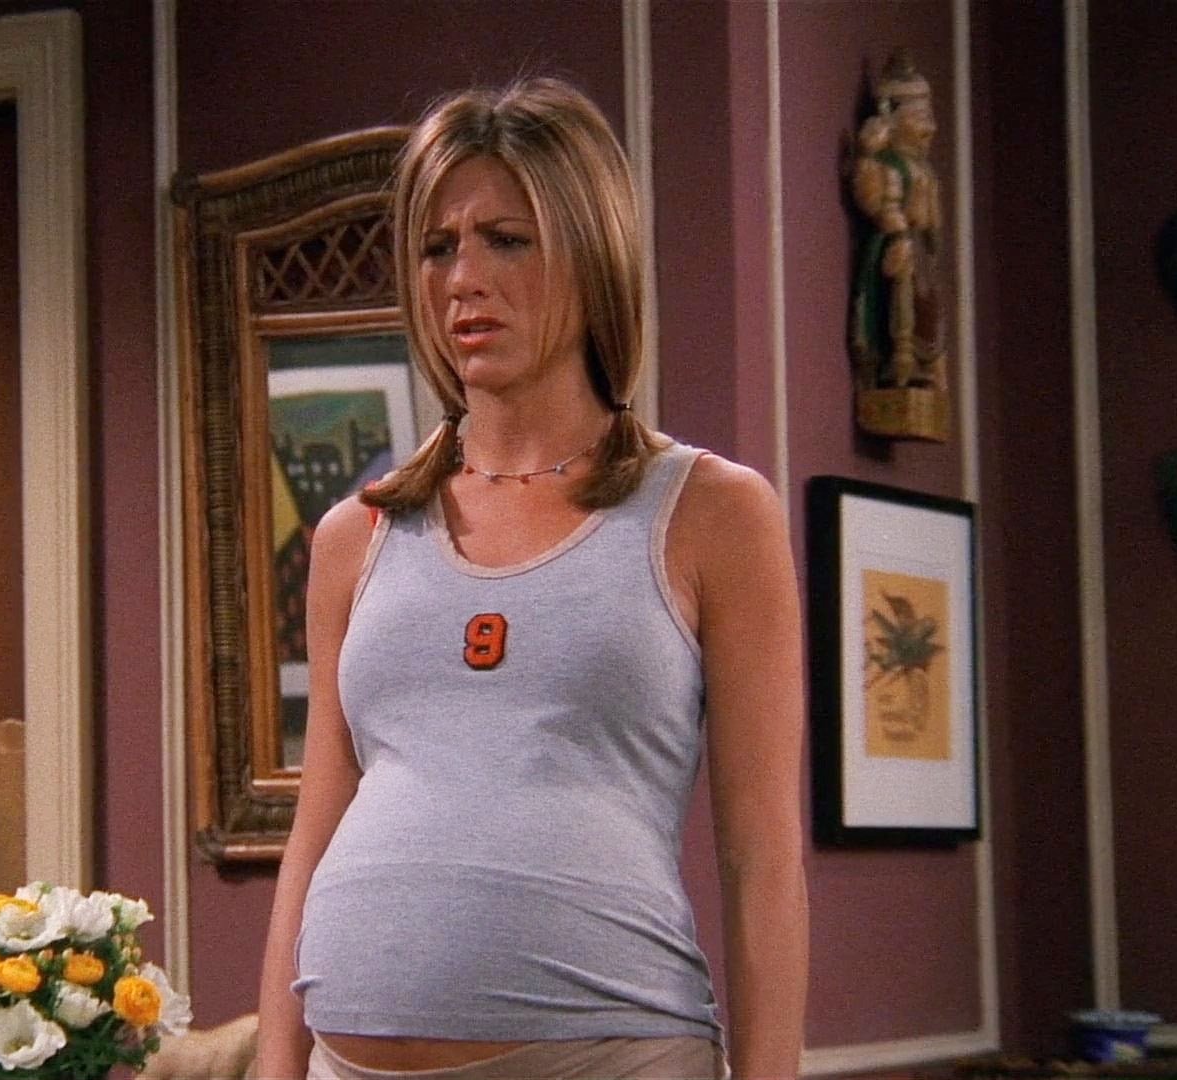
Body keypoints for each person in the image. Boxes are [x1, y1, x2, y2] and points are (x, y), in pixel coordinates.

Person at [254, 77, 808, 1080]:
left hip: (609, 1055)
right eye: (438, 247)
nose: (464, 278)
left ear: (592, 252)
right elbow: (314, 834)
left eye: (507, 239)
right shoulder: (355, 536)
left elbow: (760, 857)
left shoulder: (714, 515)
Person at [849, 51, 946, 393]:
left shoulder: (923, 169)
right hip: (897, 245)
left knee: (928, 315)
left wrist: (930, 238)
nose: (930, 128)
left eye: (929, 118)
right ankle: (897, 365)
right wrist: (867, 156)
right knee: (899, 307)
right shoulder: (889, 164)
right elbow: (877, 201)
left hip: (918, 253)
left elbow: (932, 222)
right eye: (920, 118)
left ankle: (926, 368)